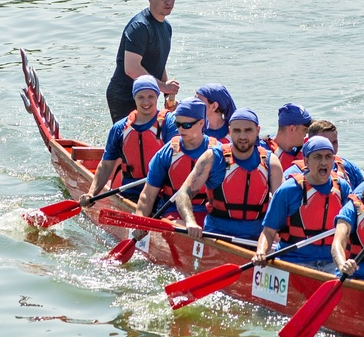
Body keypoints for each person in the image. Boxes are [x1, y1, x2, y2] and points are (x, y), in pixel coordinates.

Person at [177, 108, 284, 241]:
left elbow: (284, 205)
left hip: (257, 240)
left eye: (248, 130)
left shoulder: (271, 162)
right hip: (217, 236)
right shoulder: (212, 158)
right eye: (237, 130)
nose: (242, 137)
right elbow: (183, 194)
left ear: (258, 130)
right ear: (229, 130)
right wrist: (190, 222)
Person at [252, 136, 352, 272]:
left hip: (332, 261)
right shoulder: (288, 190)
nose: (323, 162)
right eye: (317, 157)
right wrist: (261, 252)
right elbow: (269, 232)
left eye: (328, 156)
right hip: (294, 260)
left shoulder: (342, 188)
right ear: (306, 161)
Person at [79, 75, 173, 206]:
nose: (146, 102)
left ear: (157, 96)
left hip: (163, 192)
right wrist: (92, 194)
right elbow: (106, 165)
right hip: (131, 192)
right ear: (134, 97)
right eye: (141, 97)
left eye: (150, 96)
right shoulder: (119, 129)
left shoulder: (169, 124)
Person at [105, 0, 181, 123]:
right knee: (131, 142)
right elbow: (132, 68)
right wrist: (163, 86)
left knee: (150, 138)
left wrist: (167, 94)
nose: (168, 2)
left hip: (146, 95)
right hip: (125, 95)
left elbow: (159, 62)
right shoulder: (140, 27)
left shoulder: (167, 27)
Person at [133, 98, 216, 226]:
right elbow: (148, 195)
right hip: (174, 211)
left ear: (201, 123)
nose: (180, 130)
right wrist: (140, 222)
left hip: (210, 214)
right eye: (178, 124)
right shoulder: (167, 153)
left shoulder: (217, 152)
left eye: (186, 125)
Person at [282, 120, 364, 189]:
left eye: (334, 142)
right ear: (308, 142)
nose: (330, 147)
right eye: (324, 142)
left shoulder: (349, 168)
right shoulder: (291, 176)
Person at [261, 103, 311, 170]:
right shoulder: (261, 151)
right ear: (292, 129)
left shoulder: (307, 151)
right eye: (305, 129)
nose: (307, 133)